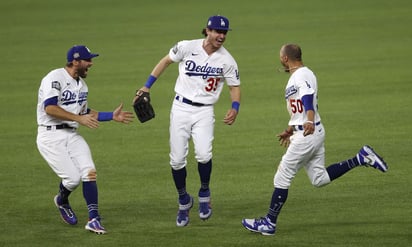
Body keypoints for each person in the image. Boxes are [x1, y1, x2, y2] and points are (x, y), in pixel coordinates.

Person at [241, 44, 388, 236]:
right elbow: (298, 109)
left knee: (282, 176)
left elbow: (307, 98)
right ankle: (360, 158)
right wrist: (290, 128)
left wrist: (308, 120)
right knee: (319, 179)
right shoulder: (300, 75)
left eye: (280, 57)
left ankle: (269, 223)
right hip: (311, 131)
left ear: (285, 59)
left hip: (307, 134)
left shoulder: (301, 75)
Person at [133, 15, 241, 227]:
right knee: (177, 160)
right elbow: (165, 61)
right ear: (207, 30)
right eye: (218, 31)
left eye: (224, 32)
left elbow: (234, 86)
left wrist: (234, 107)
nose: (221, 36)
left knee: (203, 154)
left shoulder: (227, 60)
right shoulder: (186, 46)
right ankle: (183, 200)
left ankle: (204, 192)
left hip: (204, 111)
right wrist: (146, 86)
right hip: (180, 108)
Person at [36, 45, 134, 234]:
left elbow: (84, 112)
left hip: (71, 135)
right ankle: (62, 200)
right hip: (50, 136)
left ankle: (93, 219)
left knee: (89, 172)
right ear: (75, 61)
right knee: (72, 179)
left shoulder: (82, 85)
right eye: (87, 60)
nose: (91, 63)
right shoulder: (54, 78)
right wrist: (79, 119)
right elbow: (50, 108)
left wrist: (111, 116)